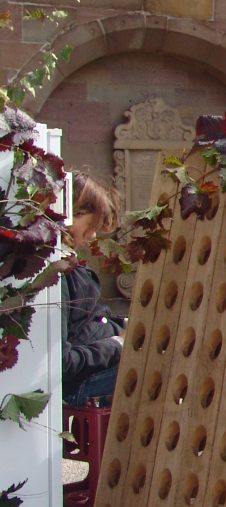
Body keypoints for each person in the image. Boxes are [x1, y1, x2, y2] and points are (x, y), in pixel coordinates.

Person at [62, 172, 124, 407]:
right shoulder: (57, 275)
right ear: (74, 213)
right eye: (92, 224)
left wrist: (125, 326)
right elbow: (64, 363)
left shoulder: (68, 263)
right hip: (78, 387)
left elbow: (89, 324)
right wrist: (117, 345)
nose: (94, 234)